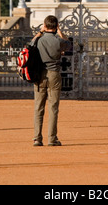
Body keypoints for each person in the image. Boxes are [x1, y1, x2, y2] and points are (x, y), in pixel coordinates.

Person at [33, 15, 70, 147]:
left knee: (38, 107)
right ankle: (51, 138)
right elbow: (69, 44)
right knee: (53, 107)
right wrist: (60, 31)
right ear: (56, 26)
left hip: (40, 75)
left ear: (45, 25)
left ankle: (37, 138)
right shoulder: (58, 41)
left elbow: (28, 45)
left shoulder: (39, 40)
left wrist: (40, 32)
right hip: (54, 73)